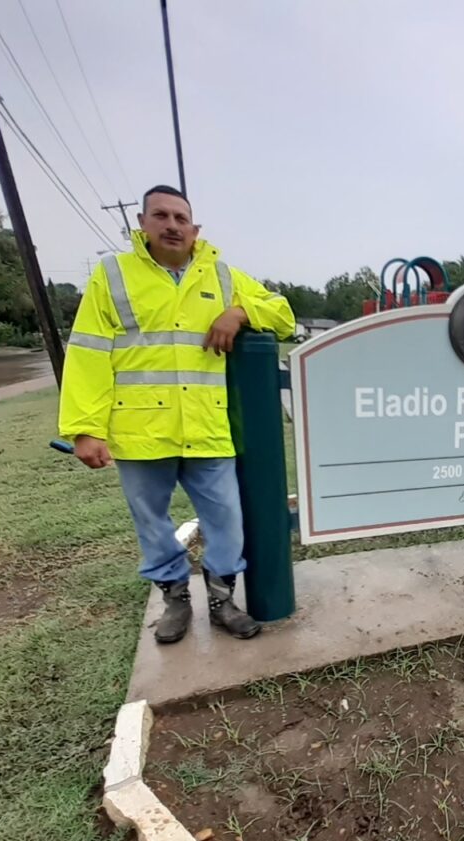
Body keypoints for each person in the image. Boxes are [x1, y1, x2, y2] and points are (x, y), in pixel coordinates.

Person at [58, 185, 295, 643]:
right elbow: (87, 351)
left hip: (207, 427)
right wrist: (85, 429)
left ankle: (223, 600)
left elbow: (282, 313)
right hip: (141, 429)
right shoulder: (113, 275)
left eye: (180, 218)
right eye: (161, 216)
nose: (171, 225)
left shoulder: (221, 275)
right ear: (143, 224)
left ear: (194, 228)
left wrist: (240, 312)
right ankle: (174, 601)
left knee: (227, 518)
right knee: (151, 521)